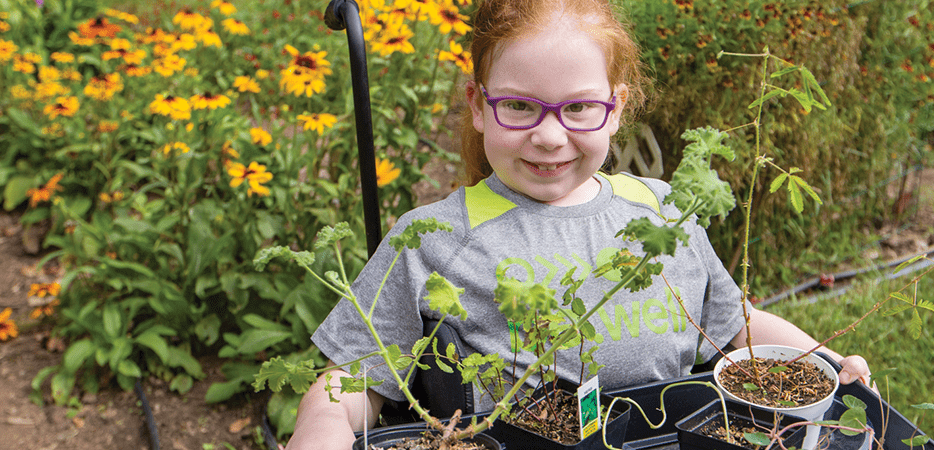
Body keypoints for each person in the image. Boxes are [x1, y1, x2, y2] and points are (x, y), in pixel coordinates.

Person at [287, 1, 873, 449]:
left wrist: (823, 363)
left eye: (578, 108)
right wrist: (324, 426)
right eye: (518, 106)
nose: (548, 135)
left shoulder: (663, 212)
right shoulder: (434, 237)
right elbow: (351, 387)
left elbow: (736, 329)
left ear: (616, 109)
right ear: (476, 104)